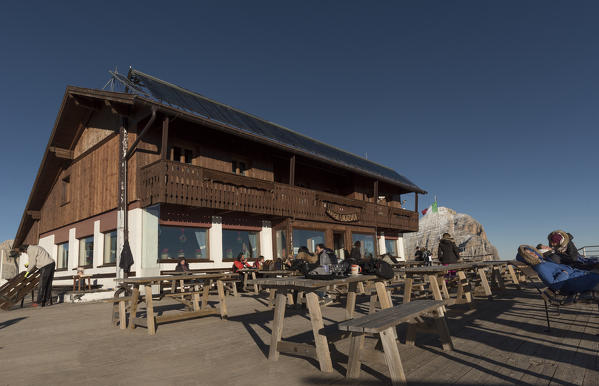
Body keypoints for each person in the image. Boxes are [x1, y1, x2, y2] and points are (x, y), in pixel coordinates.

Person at [517, 245, 599, 296]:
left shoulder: (544, 262)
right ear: (527, 258)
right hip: (572, 283)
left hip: (577, 277)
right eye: (529, 254)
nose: (533, 254)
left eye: (532, 251)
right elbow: (554, 285)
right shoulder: (540, 267)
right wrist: (565, 274)